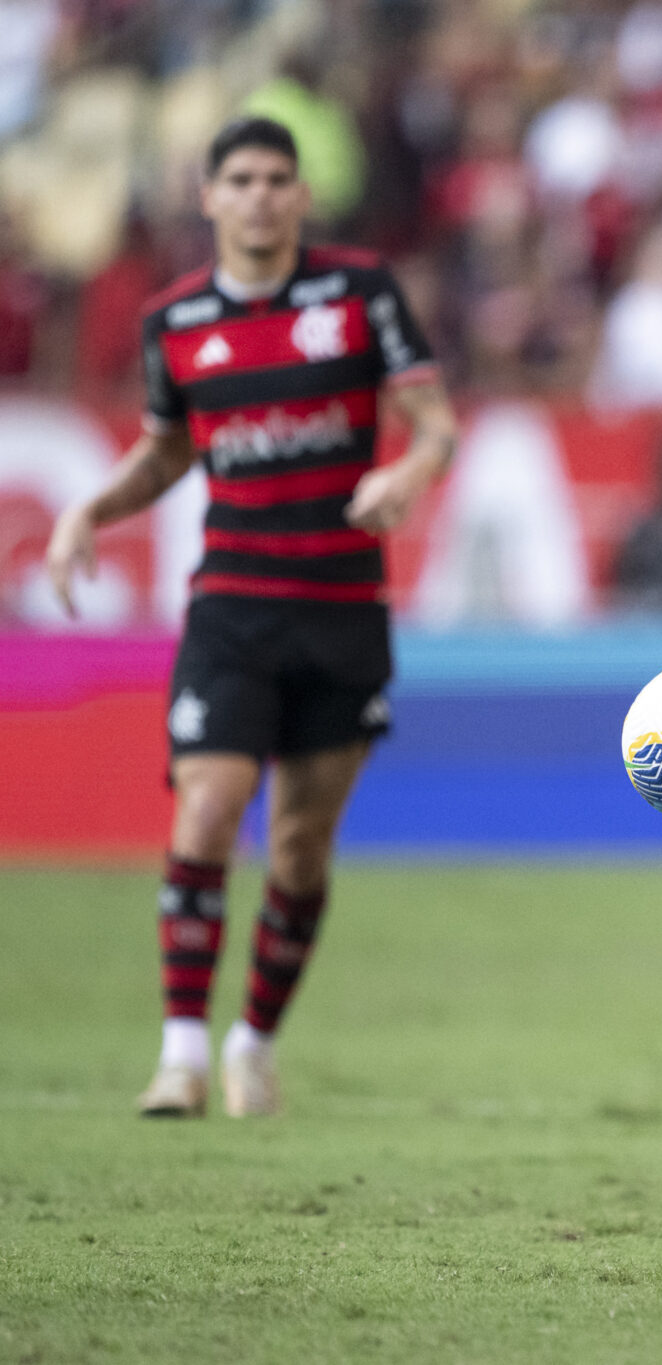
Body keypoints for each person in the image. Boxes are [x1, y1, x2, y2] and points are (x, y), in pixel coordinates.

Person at [43, 117, 457, 1118]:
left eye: (279, 178)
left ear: (302, 196)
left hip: (343, 607)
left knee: (301, 847)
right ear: (210, 196)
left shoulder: (359, 293)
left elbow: (435, 421)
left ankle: (253, 1044)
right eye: (242, 179)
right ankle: (180, 1055)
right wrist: (91, 507)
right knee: (207, 809)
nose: (262, 195)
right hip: (232, 601)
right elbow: (168, 449)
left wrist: (406, 471)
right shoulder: (174, 322)